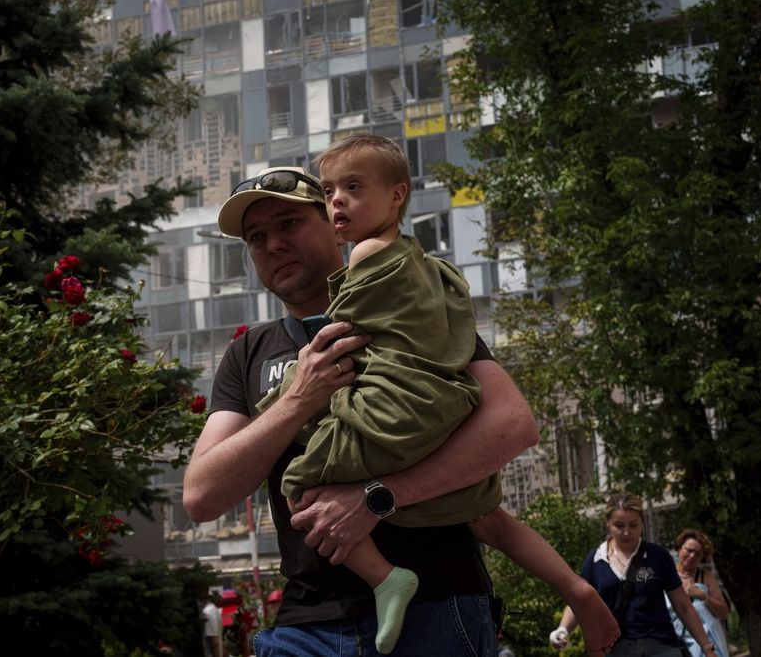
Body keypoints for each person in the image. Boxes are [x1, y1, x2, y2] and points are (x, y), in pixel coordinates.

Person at [255, 134, 618, 654]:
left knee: (298, 483)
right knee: (485, 510)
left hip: (394, 412)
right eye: (331, 191)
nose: (338, 201)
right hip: (444, 403)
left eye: (352, 189)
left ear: (397, 195)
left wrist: (284, 398)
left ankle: (385, 579)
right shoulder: (422, 266)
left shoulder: (365, 258)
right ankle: (577, 587)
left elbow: (344, 344)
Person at [182, 164, 539, 657]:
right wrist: (299, 397)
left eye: (289, 225)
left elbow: (513, 425)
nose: (273, 245)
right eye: (256, 236)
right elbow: (202, 495)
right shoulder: (247, 353)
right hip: (305, 625)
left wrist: (377, 498)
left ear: (334, 222)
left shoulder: (407, 308)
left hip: (435, 606)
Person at [551, 494, 719, 656]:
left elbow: (683, 606)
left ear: (642, 523)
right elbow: (579, 601)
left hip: (661, 646)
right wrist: (563, 629)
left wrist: (706, 647)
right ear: (608, 523)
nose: (626, 532)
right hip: (615, 648)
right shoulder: (595, 560)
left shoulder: (658, 556)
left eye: (633, 525)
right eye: (619, 525)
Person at [666, 529, 729, 657]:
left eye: (698, 554)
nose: (692, 556)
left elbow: (723, 613)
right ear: (679, 548)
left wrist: (702, 596)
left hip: (707, 644)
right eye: (689, 550)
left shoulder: (705, 577)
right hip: (676, 644)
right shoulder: (666, 576)